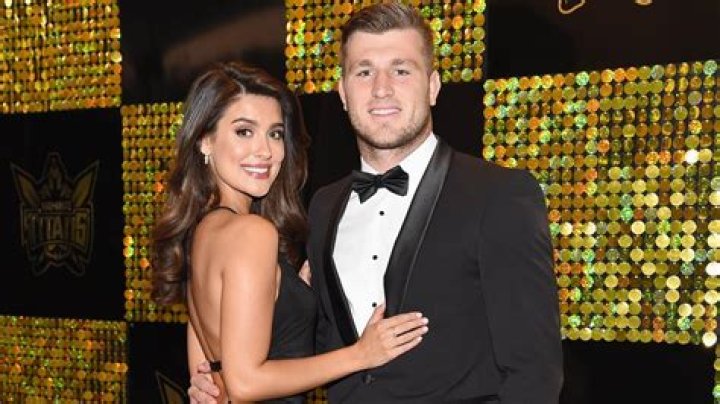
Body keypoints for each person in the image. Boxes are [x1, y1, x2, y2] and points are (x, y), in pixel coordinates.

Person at [190, 2, 563, 403]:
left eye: (401, 70)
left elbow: (534, 373)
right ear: (343, 92)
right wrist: (219, 378)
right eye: (364, 72)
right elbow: (308, 343)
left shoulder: (499, 195)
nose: (381, 88)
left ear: (433, 86)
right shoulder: (323, 206)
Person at [151, 62, 429, 404]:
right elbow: (245, 383)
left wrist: (289, 290)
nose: (265, 151)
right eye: (244, 131)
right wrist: (361, 354)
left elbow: (206, 372)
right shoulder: (252, 233)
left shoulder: (200, 232)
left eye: (275, 133)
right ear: (205, 141)